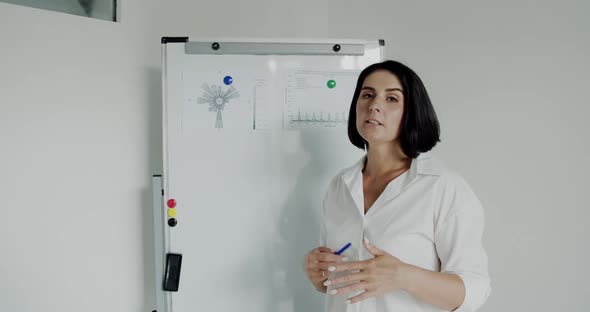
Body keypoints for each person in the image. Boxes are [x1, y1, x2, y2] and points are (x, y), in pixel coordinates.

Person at [304, 60, 491, 311]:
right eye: (367, 95)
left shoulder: (442, 187)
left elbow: (475, 291)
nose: (374, 106)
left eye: (391, 99)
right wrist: (319, 276)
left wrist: (403, 276)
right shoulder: (339, 186)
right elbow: (337, 279)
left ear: (411, 112)